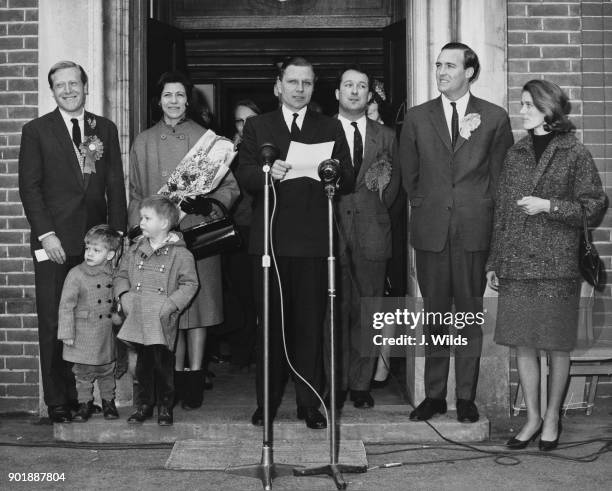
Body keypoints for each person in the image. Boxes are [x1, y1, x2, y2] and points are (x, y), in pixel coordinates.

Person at [486, 80, 607, 450]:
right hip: (518, 263)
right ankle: (532, 418)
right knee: (523, 345)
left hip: (558, 265)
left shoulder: (575, 152)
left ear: (547, 108)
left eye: (527, 105)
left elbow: (594, 206)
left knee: (556, 347)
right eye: (521, 104)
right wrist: (494, 261)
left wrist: (549, 206)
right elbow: (503, 212)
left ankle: (553, 417)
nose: (520, 111)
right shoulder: (516, 152)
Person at [398, 42, 514, 423]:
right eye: (437, 65)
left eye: (450, 65)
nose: (441, 71)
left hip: (473, 232)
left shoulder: (494, 118)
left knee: (467, 315)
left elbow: (501, 184)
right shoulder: (416, 118)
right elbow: (409, 177)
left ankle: (465, 396)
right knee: (434, 316)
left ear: (470, 71)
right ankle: (433, 396)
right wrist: (431, 205)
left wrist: (495, 239)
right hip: (431, 231)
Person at [238, 56, 354, 430]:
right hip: (269, 243)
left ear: (313, 86)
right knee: (268, 326)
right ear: (278, 86)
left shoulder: (330, 125)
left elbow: (347, 176)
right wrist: (269, 172)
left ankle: (310, 403)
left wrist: (329, 173)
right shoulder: (258, 126)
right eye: (293, 82)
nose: (299, 88)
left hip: (314, 241)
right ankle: (266, 404)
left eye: (306, 83)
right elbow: (245, 175)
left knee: (308, 326)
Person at [18, 60, 127, 423]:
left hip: (95, 244)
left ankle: (86, 399)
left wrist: (117, 235)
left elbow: (114, 184)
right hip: (54, 243)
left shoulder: (104, 128)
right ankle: (59, 402)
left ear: (85, 86)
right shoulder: (36, 131)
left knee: (91, 320)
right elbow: (29, 188)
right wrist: (46, 234)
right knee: (54, 319)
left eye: (74, 83)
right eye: (60, 85)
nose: (68, 90)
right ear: (52, 91)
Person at [128, 71, 239, 410]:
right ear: (158, 100)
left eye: (179, 95)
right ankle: (169, 382)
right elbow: (134, 193)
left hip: (196, 233)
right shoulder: (143, 142)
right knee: (166, 310)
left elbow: (230, 186)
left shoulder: (207, 138)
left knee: (199, 309)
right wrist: (139, 231)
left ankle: (194, 378)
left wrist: (208, 205)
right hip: (158, 240)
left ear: (188, 100)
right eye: (167, 95)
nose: (173, 101)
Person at [326, 65, 399, 410]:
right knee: (333, 310)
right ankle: (334, 383)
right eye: (348, 85)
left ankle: (360, 384)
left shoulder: (386, 136)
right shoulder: (320, 131)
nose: (355, 91)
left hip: (372, 233)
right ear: (337, 93)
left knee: (368, 310)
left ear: (370, 95)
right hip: (331, 231)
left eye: (362, 86)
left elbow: (395, 186)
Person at [115, 195, 199, 426]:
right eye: (141, 217)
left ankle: (165, 407)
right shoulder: (134, 250)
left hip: (161, 319)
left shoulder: (181, 254)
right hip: (138, 315)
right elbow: (121, 275)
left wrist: (170, 305)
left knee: (163, 366)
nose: (141, 222)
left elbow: (190, 284)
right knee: (142, 366)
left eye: (146, 218)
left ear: (163, 223)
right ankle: (144, 405)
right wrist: (124, 296)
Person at [57, 225, 123, 422]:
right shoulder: (76, 274)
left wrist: (119, 315)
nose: (90, 254)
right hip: (83, 332)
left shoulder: (113, 274)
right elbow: (66, 306)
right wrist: (66, 333)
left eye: (97, 250)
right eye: (88, 249)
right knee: (83, 373)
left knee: (107, 370)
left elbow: (118, 299)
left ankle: (108, 403)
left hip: (105, 332)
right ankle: (84, 404)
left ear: (110, 255)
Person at [223, 99, 261, 370]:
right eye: (239, 120)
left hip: (261, 227)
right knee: (238, 293)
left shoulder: (267, 147)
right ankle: (241, 351)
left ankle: (260, 350)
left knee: (260, 293)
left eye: (249, 119)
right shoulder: (227, 150)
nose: (244, 125)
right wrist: (230, 155)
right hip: (234, 230)